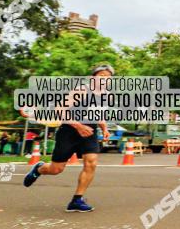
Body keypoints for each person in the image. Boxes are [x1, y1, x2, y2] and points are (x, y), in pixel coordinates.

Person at [23, 64, 113, 212]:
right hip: (69, 131)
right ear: (93, 78)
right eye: (101, 75)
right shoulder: (81, 90)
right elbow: (60, 110)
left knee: (91, 163)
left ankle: (77, 200)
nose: (105, 79)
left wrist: (104, 128)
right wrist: (78, 126)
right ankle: (39, 169)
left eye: (108, 77)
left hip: (89, 132)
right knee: (56, 169)